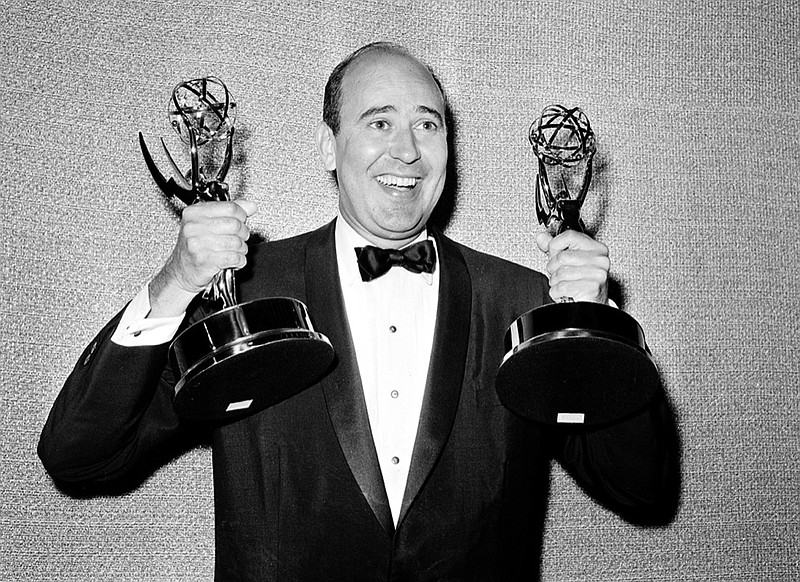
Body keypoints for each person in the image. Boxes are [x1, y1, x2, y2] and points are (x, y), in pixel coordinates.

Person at [39, 42, 678, 580]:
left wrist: (596, 325)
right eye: (379, 122)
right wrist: (175, 282)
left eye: (428, 125)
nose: (407, 151)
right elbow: (81, 454)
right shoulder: (243, 292)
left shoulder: (523, 299)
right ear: (329, 146)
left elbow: (643, 488)